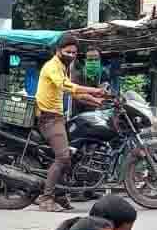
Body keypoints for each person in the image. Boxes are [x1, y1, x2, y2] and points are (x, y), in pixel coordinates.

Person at [34, 36, 107, 211]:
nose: (72, 55)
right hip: (48, 118)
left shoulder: (63, 67)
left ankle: (60, 195)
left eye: (74, 52)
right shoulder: (52, 67)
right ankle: (46, 199)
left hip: (58, 117)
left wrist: (98, 101)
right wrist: (94, 90)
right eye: (68, 52)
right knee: (63, 157)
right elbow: (67, 86)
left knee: (72, 156)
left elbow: (74, 94)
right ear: (58, 50)